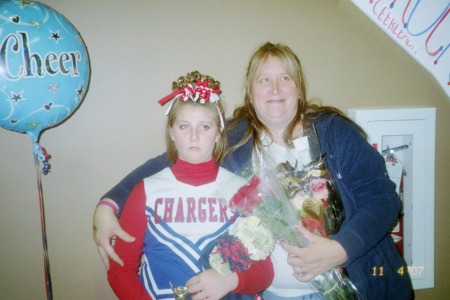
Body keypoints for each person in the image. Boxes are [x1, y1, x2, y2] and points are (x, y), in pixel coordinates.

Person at [94, 43, 414, 299]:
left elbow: (383, 198)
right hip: (270, 293)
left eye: (284, 77)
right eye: (264, 79)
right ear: (251, 92)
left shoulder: (335, 132)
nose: (274, 87)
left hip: (354, 287)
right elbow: (170, 161)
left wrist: (341, 249)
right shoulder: (235, 138)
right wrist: (109, 203)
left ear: (298, 89)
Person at [105, 71, 274, 300]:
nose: (194, 136)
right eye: (184, 126)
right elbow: (120, 270)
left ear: (218, 133)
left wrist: (231, 280)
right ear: (172, 132)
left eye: (204, 127)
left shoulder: (242, 190)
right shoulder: (146, 191)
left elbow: (265, 272)